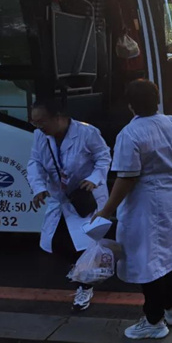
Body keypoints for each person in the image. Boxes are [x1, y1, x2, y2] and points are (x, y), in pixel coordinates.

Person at [93, 79, 172, 340]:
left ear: (130, 105)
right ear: (157, 99)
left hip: (145, 207)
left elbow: (127, 177)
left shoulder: (130, 134)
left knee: (149, 263)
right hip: (171, 202)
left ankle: (153, 321)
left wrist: (106, 210)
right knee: (167, 259)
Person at [27, 98, 111, 312]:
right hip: (61, 198)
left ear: (58, 117)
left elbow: (103, 157)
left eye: (42, 121)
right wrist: (38, 187)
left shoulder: (87, 132)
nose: (38, 126)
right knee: (55, 242)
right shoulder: (41, 136)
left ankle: (85, 286)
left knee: (83, 245)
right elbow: (35, 162)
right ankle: (84, 270)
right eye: (34, 122)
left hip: (85, 197)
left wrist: (94, 178)